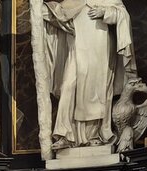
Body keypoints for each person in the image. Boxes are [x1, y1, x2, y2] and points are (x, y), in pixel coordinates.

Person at [41, 0, 137, 149]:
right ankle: (65, 134)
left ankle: (94, 135)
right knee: (67, 86)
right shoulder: (71, 1)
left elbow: (122, 14)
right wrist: (39, 8)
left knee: (95, 91)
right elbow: (58, 15)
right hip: (76, 50)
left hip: (99, 48)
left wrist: (105, 12)